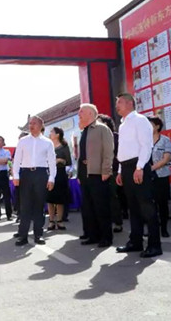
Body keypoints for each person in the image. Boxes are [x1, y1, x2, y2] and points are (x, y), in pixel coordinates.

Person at [115, 93, 162, 258]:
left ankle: (154, 245)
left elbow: (146, 145)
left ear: (129, 103)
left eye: (120, 102)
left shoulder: (140, 120)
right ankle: (135, 242)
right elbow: (123, 150)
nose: (117, 105)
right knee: (133, 207)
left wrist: (140, 167)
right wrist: (120, 171)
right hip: (126, 168)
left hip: (138, 166)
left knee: (146, 206)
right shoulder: (123, 125)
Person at [12, 116, 56, 246]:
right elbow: (17, 159)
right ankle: (23, 235)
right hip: (26, 174)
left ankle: (38, 234)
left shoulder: (47, 142)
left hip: (41, 174)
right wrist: (16, 175)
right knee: (25, 206)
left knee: (39, 205)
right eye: (30, 123)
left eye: (34, 123)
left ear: (41, 125)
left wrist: (51, 178)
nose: (31, 126)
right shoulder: (23, 141)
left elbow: (52, 162)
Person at [77, 104, 114, 248]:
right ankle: (93, 235)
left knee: (101, 207)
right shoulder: (84, 130)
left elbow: (108, 151)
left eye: (82, 111)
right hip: (85, 174)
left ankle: (106, 237)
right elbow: (81, 155)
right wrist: (79, 174)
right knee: (88, 207)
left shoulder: (102, 129)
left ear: (91, 114)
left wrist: (106, 170)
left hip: (98, 173)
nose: (79, 114)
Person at [97, 113, 124, 233]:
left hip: (115, 170)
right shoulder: (98, 139)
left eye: (98, 122)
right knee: (105, 197)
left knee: (113, 196)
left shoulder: (116, 137)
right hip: (101, 171)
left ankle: (118, 222)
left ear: (106, 123)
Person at [148, 116, 171, 238]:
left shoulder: (165, 140)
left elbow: (166, 159)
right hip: (148, 177)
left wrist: (151, 168)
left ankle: (164, 228)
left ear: (157, 126)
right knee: (149, 204)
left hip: (161, 176)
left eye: (151, 125)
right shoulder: (145, 140)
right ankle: (152, 229)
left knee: (162, 203)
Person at [46, 127, 72, 231]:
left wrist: (60, 160)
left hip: (60, 173)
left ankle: (60, 220)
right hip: (49, 173)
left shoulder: (64, 146)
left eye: (52, 132)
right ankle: (51, 221)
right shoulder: (48, 145)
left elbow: (69, 161)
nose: (50, 134)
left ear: (57, 134)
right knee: (50, 198)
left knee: (60, 199)